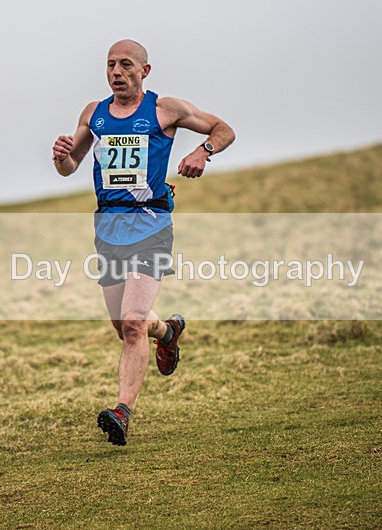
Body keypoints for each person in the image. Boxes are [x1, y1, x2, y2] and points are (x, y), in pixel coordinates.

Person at [52, 39, 235, 446]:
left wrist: (204, 152)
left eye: (125, 65)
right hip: (108, 232)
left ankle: (122, 411)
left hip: (152, 227)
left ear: (144, 71)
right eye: (110, 65)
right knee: (125, 327)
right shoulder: (94, 114)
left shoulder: (164, 110)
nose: (116, 72)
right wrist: (61, 156)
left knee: (133, 323)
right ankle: (167, 332)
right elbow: (70, 168)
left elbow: (224, 130)